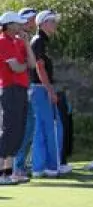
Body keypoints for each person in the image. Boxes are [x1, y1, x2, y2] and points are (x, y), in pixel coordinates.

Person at [28, 10, 67, 176]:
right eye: (52, 21)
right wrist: (50, 90)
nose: (55, 24)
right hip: (41, 89)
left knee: (43, 127)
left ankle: (40, 167)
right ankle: (50, 166)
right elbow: (40, 67)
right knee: (51, 127)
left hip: (40, 88)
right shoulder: (39, 41)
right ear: (43, 23)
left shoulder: (41, 40)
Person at [0, 11, 34, 185]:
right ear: (9, 25)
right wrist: (24, 65)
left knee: (19, 131)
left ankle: (9, 172)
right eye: (18, 23)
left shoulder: (19, 42)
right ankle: (1, 173)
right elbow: (17, 68)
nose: (21, 26)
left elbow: (32, 64)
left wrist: (27, 43)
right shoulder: (2, 41)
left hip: (21, 89)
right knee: (9, 130)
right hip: (9, 89)